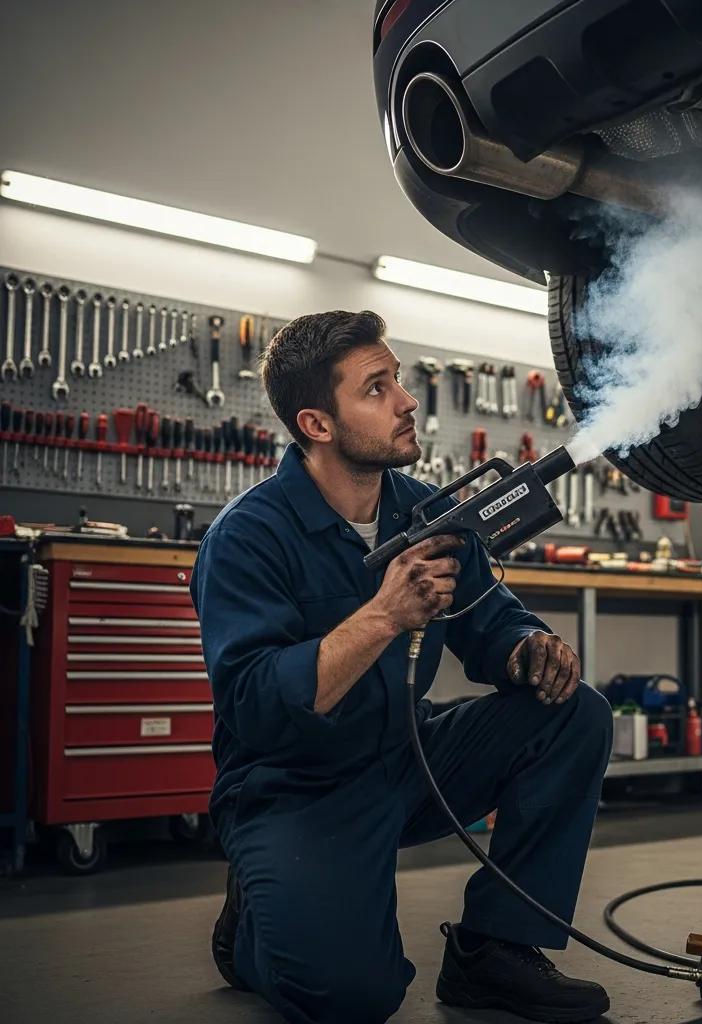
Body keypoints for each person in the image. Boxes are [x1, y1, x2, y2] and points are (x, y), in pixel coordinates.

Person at [190, 309, 613, 1024]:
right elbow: (257, 704)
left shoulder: (429, 514)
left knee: (573, 713)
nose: (408, 401)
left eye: (401, 381)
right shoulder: (247, 537)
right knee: (353, 998)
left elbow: (491, 619)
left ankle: (493, 952)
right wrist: (384, 614)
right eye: (378, 388)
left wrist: (527, 647)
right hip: (296, 786)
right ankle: (250, 931)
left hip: (407, 757)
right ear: (318, 424)